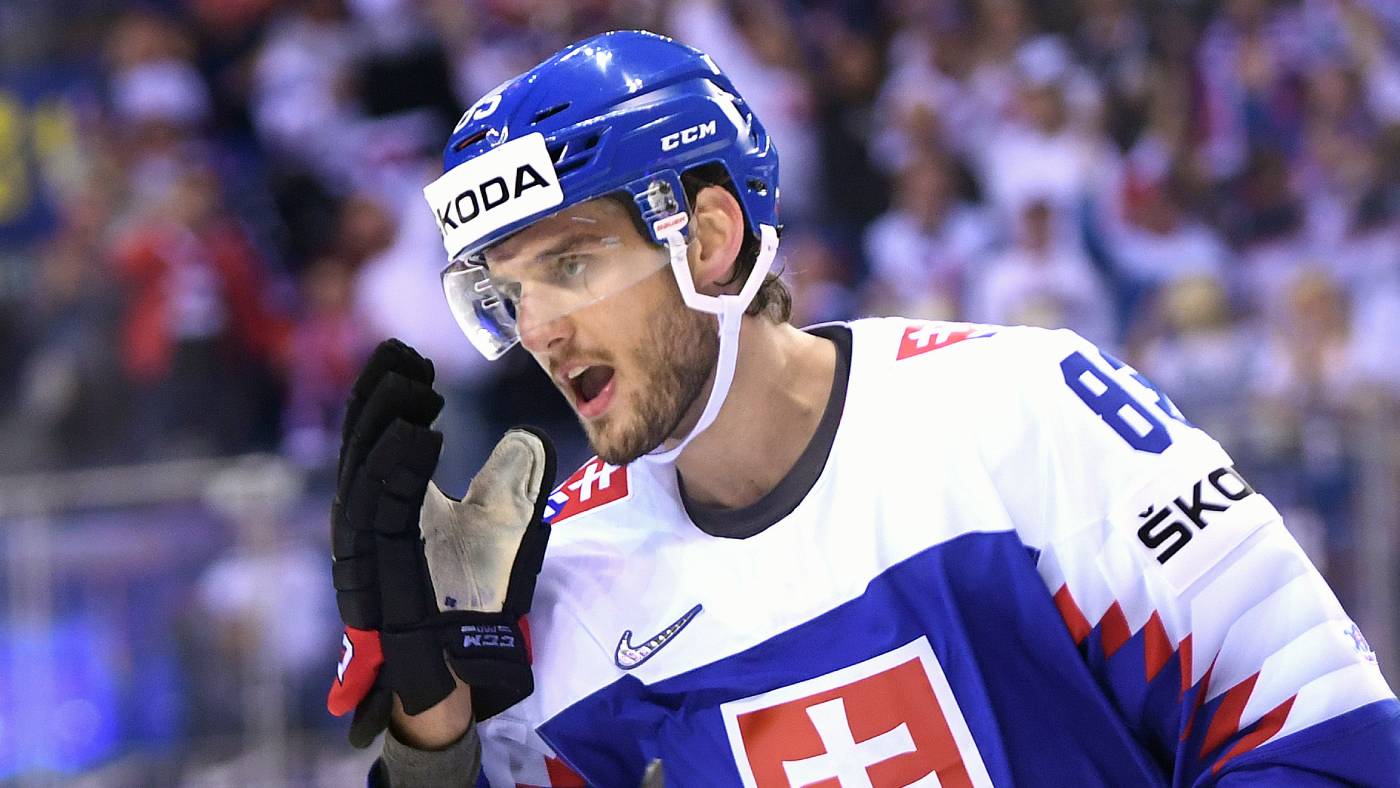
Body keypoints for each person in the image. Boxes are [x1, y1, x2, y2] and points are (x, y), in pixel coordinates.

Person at [325, 30, 1400, 787]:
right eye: (509, 294)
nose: (540, 331)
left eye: (571, 264)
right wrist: (435, 730)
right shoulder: (572, 568)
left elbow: (1325, 735)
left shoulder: (1024, 411)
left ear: (710, 240)